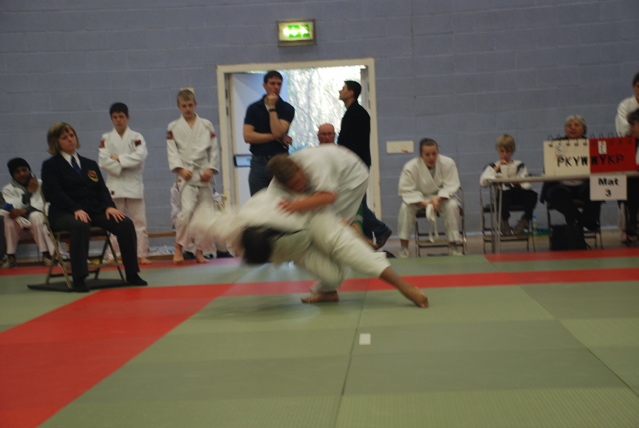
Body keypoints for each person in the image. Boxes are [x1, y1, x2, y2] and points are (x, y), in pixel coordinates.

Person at [205, 187, 428, 308]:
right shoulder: (233, 227)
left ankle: (345, 230)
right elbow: (202, 219)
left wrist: (404, 287)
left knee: (348, 251)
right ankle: (327, 291)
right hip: (300, 251)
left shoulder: (285, 218)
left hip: (311, 223)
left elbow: (361, 257)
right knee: (333, 278)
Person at [41, 122, 147, 292]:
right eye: (64, 137)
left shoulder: (89, 164)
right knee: (80, 225)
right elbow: (54, 193)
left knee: (125, 223)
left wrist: (109, 207)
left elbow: (101, 189)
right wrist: (75, 209)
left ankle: (132, 273)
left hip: (92, 210)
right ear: (56, 142)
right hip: (63, 213)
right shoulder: (51, 165)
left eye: (71, 135)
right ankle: (79, 278)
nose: (70, 139)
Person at [167, 89, 232, 265]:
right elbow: (172, 152)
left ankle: (200, 251)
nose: (187, 108)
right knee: (186, 212)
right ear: (178, 106)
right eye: (184, 106)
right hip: (186, 175)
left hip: (204, 173)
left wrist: (210, 169)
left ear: (195, 104)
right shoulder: (173, 127)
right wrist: (180, 170)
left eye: (190, 105)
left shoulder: (206, 125)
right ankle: (179, 248)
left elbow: (214, 149)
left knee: (205, 216)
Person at [337, 80, 392, 249]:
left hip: (355, 166)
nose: (340, 91)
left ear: (351, 93)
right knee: (359, 203)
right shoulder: (352, 113)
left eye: (343, 88)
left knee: (356, 203)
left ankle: (381, 230)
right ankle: (369, 237)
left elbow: (354, 143)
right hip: (354, 165)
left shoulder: (358, 114)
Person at [98, 102, 151, 265]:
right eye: (115, 117)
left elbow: (140, 157)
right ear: (111, 119)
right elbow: (103, 161)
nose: (118, 120)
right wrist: (125, 163)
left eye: (121, 116)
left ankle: (141, 254)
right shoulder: (106, 138)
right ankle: (114, 254)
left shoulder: (136, 137)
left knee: (139, 223)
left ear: (127, 117)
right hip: (115, 185)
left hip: (134, 184)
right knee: (115, 223)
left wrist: (118, 159)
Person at [265, 143, 369, 223]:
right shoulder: (277, 181)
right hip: (333, 169)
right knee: (310, 215)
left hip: (352, 176)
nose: (298, 187)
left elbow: (329, 196)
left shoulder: (315, 164)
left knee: (334, 222)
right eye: (292, 186)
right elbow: (269, 201)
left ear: (300, 168)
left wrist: (294, 206)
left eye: (298, 181)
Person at [397, 138, 463, 257]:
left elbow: (451, 186)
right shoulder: (410, 167)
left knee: (452, 206)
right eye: (427, 154)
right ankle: (404, 248)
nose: (431, 157)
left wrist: (437, 200)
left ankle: (453, 246)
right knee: (405, 208)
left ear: (438, 152)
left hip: (441, 197)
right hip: (420, 198)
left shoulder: (448, 163)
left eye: (434, 153)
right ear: (421, 155)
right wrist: (426, 204)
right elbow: (407, 191)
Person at [540, 115, 601, 231]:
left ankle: (578, 226)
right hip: (561, 185)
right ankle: (584, 222)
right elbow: (547, 169)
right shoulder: (555, 144)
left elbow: (599, 168)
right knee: (555, 193)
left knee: (596, 191)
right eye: (569, 125)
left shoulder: (592, 144)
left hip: (584, 184)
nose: (572, 128)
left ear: (584, 129)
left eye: (576, 125)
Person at [243, 70, 295, 195]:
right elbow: (248, 136)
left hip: (280, 160)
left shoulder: (287, 108)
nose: (276, 87)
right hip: (259, 161)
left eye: (279, 84)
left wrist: (272, 107)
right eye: (272, 83)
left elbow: (278, 131)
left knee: (282, 199)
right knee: (258, 200)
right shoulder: (254, 108)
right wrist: (276, 137)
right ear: (265, 85)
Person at [1, 158, 55, 268]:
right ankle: (11, 257)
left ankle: (46, 255)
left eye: (24, 170)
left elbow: (45, 205)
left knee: (35, 216)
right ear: (12, 174)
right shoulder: (8, 189)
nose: (22, 174)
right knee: (8, 219)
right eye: (17, 171)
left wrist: (26, 210)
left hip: (38, 227)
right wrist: (29, 192)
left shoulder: (40, 184)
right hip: (19, 230)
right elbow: (14, 207)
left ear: (29, 170)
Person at [479, 134, 538, 235]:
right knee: (504, 194)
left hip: (517, 193)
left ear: (512, 151)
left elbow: (526, 183)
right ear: (498, 151)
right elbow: (483, 182)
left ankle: (525, 220)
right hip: (503, 196)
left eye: (508, 151)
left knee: (532, 195)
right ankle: (504, 221)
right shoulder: (492, 166)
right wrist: (497, 168)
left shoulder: (519, 165)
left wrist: (518, 184)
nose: (505, 154)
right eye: (502, 151)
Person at [620, 108, 639, 243]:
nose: (630, 129)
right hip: (633, 182)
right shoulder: (627, 142)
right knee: (628, 186)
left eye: (633, 125)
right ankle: (632, 221)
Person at [615, 72, 639, 137]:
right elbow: (624, 128)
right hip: (631, 139)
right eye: (638, 87)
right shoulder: (625, 105)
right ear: (633, 86)